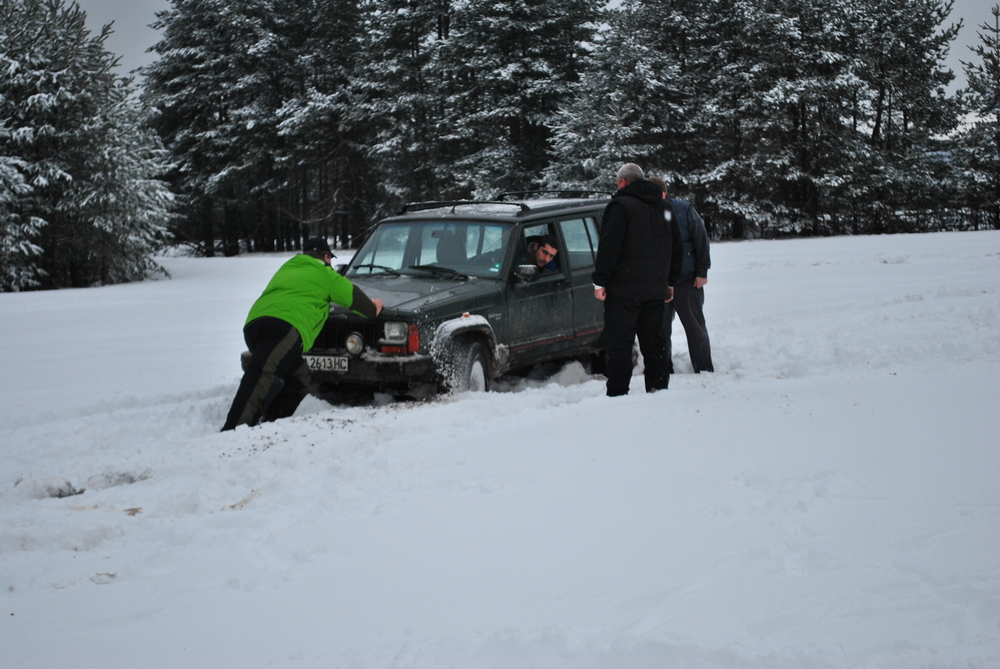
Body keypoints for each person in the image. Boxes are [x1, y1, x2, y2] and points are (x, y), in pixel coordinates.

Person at [221, 237, 384, 431]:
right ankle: (233, 431)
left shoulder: (289, 266)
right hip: (284, 329)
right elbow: (353, 297)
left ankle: (270, 424)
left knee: (299, 379)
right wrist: (374, 308)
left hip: (254, 325)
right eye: (329, 259)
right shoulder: (325, 273)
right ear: (325, 257)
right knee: (262, 377)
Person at [592, 164, 683, 396]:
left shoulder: (620, 206)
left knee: (620, 344)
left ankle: (618, 392)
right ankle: (658, 389)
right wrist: (669, 281)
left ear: (623, 182)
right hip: (655, 289)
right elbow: (676, 248)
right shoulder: (665, 207)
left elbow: (609, 247)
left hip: (623, 291)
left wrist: (600, 281)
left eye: (616, 181)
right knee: (654, 344)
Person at [648, 177, 714, 373]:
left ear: (662, 193)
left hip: (687, 280)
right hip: (659, 283)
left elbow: (701, 239)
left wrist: (702, 271)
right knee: (660, 330)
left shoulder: (684, 210)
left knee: (695, 328)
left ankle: (703, 368)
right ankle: (662, 368)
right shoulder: (646, 213)